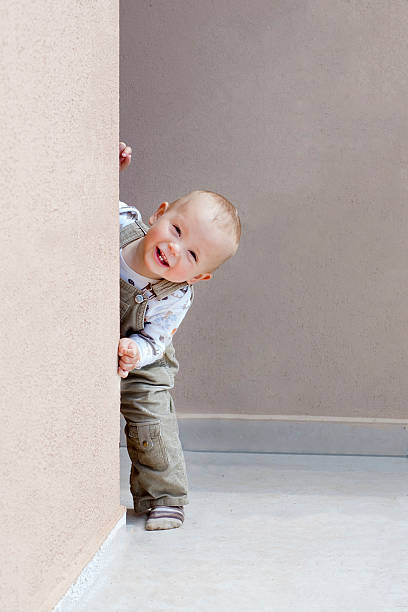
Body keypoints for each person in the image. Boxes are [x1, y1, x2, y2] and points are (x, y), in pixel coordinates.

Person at [118, 142, 241, 530]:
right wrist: (108, 169)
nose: (174, 249)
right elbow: (87, 199)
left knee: (150, 420)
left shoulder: (176, 296)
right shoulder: (121, 223)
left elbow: (156, 339)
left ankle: (164, 497)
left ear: (196, 277)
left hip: (143, 355)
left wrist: (134, 352)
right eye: (175, 229)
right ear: (159, 213)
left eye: (191, 256)